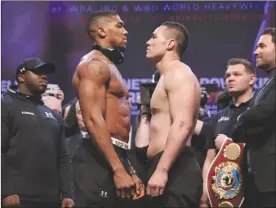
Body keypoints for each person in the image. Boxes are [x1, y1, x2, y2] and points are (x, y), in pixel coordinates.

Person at [72, 11, 145, 208]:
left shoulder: (109, 65)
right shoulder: (94, 65)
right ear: (102, 31)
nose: (126, 31)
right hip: (96, 156)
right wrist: (118, 169)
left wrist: (128, 169)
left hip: (114, 155)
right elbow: (93, 120)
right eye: (120, 26)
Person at [135, 21, 202, 208]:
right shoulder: (166, 77)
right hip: (163, 165)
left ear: (170, 44)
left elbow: (183, 124)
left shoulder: (179, 73)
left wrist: (162, 170)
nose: (148, 42)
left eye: (154, 37)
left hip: (175, 168)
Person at [1, 57, 74, 208]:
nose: (44, 76)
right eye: (38, 72)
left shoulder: (53, 114)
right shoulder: (5, 105)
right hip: (18, 198)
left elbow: (63, 157)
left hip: (51, 199)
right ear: (21, 77)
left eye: (45, 73)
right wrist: (6, 190)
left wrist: (67, 194)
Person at [193, 58, 256, 207]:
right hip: (223, 193)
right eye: (227, 76)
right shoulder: (219, 116)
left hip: (254, 188)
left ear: (252, 79)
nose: (230, 79)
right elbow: (210, 159)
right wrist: (204, 195)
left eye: (237, 74)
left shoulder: (259, 111)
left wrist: (229, 145)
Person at [232, 27, 276, 208]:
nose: (256, 51)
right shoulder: (267, 85)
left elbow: (266, 111)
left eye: (262, 46)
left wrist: (241, 118)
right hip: (259, 180)